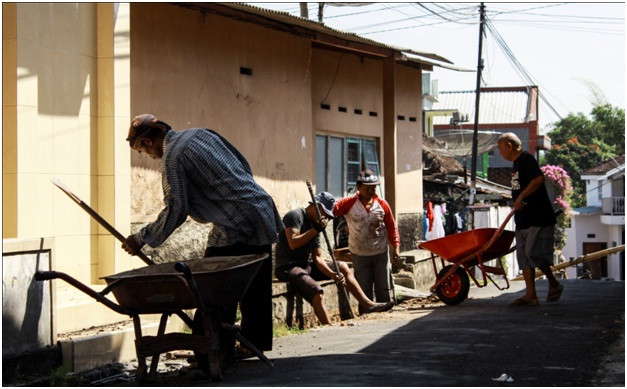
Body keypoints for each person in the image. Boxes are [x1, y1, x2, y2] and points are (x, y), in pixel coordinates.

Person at [122, 114, 284, 361]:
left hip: (237, 220)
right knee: (253, 282)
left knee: (213, 288)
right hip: (258, 207)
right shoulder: (199, 133)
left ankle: (209, 351)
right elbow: (241, 162)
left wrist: (141, 238)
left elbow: (176, 209)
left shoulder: (172, 159)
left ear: (147, 141)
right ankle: (250, 343)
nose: (147, 156)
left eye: (142, 151)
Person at [274, 192, 394, 325]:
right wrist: (315, 230)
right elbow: (293, 243)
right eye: (324, 213)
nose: (326, 218)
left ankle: (368, 304)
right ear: (317, 206)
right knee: (316, 292)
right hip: (287, 267)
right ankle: (329, 326)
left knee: (342, 267)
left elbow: (318, 258)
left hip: (305, 265)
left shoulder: (316, 225)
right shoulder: (295, 216)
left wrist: (332, 274)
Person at [497, 132, 563, 306]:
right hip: (523, 218)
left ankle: (554, 283)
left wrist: (520, 198)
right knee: (524, 258)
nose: (500, 153)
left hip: (537, 216)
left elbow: (539, 179)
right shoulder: (516, 164)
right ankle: (530, 295)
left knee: (533, 253)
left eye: (500, 148)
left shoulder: (526, 159)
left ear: (509, 146)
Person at [333, 170, 400, 310]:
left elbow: (392, 227)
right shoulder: (348, 203)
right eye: (367, 187)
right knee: (363, 288)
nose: (371, 190)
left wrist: (396, 248)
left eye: (373, 187)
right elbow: (332, 210)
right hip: (359, 254)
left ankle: (386, 314)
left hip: (380, 252)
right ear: (358, 187)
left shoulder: (382, 204)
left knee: (383, 287)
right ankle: (366, 316)